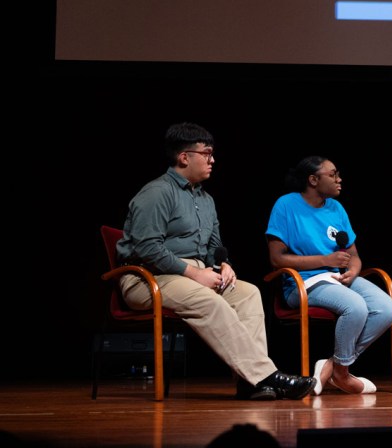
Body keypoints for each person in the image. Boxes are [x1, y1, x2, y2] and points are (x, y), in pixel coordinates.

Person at [115, 123, 316, 400]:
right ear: (184, 157)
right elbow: (147, 247)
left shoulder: (205, 199)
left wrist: (224, 264)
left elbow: (213, 246)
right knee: (209, 300)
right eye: (206, 154)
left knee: (248, 293)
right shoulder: (157, 193)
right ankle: (267, 376)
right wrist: (194, 274)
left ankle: (250, 383)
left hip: (189, 276)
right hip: (147, 278)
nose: (213, 160)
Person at [265, 156, 392, 395]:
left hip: (336, 279)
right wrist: (325, 261)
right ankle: (342, 374)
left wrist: (352, 271)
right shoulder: (286, 205)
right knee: (356, 307)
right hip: (303, 282)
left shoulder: (336, 208)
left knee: (386, 308)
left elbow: (354, 255)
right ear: (313, 180)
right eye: (333, 174)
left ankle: (334, 367)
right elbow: (277, 259)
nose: (339, 179)